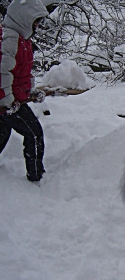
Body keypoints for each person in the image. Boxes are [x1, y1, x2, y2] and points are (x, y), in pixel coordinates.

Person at [0, 0, 49, 183]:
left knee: (3, 131)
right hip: (7, 102)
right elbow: (2, 73)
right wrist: (7, 102)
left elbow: (22, 73)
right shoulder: (9, 39)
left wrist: (32, 92)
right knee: (34, 133)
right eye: (35, 21)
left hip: (12, 100)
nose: (37, 26)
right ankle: (37, 176)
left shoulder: (23, 40)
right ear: (24, 18)